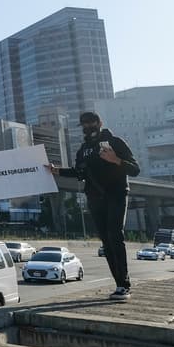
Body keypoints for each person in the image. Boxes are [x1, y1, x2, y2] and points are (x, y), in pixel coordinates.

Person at [47, 112, 141, 300]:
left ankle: (124, 285)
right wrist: (56, 170)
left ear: (100, 123)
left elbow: (135, 169)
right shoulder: (83, 149)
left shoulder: (115, 142)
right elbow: (78, 172)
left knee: (115, 235)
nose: (87, 127)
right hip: (94, 197)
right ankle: (119, 284)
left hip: (116, 194)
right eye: (84, 124)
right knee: (106, 241)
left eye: (91, 123)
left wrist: (116, 160)